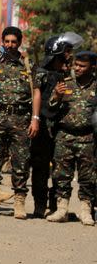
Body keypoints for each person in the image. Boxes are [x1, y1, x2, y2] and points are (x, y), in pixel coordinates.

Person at [0, 26, 40, 219]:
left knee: (21, 162)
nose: (10, 45)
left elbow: (36, 92)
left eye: (14, 42)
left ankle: (20, 202)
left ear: (19, 42)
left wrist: (35, 118)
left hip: (21, 118)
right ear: (2, 42)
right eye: (7, 41)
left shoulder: (28, 65)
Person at [30, 33, 81, 217]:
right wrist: (36, 119)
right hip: (43, 126)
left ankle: (57, 206)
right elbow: (37, 95)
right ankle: (39, 205)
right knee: (41, 166)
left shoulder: (67, 74)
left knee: (61, 169)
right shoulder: (42, 73)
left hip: (61, 128)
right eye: (66, 52)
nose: (68, 55)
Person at [45, 51, 96, 226]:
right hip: (64, 137)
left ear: (92, 68)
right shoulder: (65, 84)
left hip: (88, 137)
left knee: (88, 176)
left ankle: (85, 210)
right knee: (61, 175)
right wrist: (56, 96)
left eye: (82, 66)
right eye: (76, 65)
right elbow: (50, 109)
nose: (78, 69)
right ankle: (62, 209)